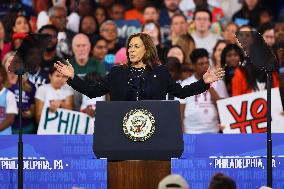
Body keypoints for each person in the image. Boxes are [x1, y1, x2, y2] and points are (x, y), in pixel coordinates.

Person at [54, 32, 224, 101]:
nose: (131, 50)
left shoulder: (160, 72)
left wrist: (203, 82)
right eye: (129, 46)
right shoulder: (117, 72)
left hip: (154, 133)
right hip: (121, 132)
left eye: (136, 46)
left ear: (147, 49)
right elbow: (93, 92)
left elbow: (181, 93)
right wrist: (73, 77)